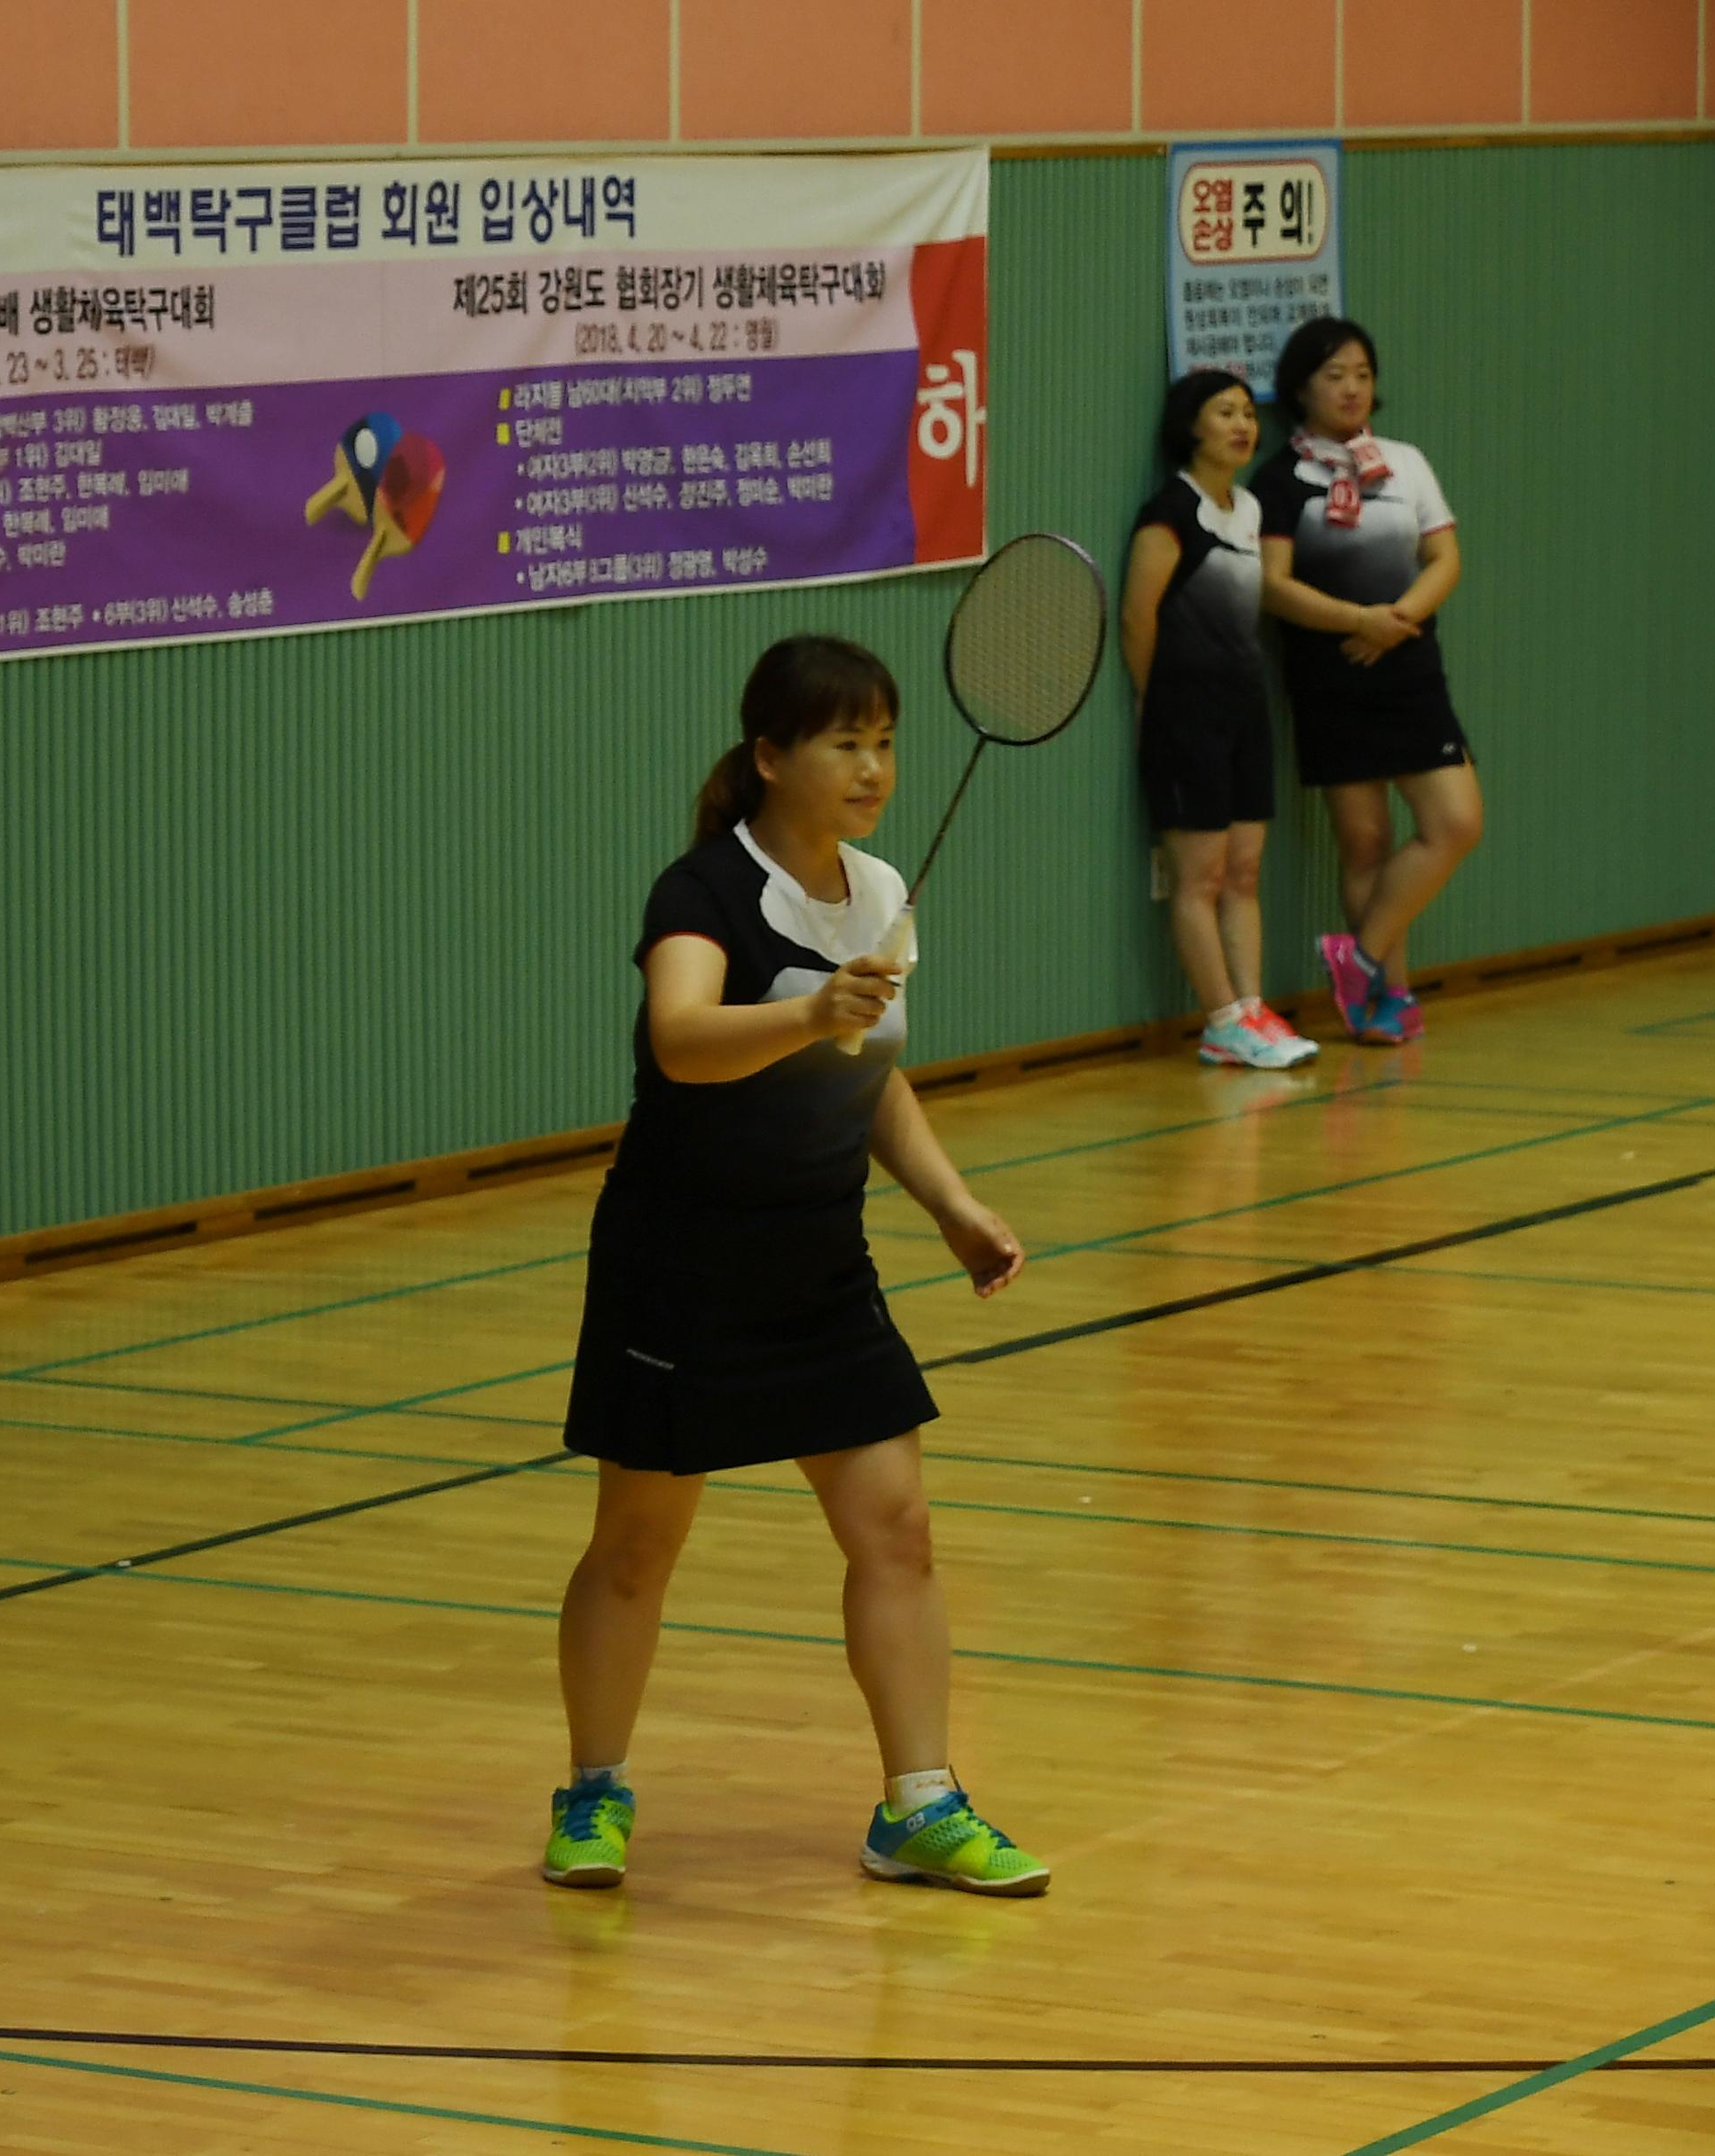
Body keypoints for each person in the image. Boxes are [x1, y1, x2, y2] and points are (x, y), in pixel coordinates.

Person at [542, 637, 1049, 1901]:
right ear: (772, 757)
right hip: (684, 1261)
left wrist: (952, 1204)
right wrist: (808, 1011)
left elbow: (871, 1078)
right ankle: (593, 1793)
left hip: (821, 1259)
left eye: (883, 742)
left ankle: (919, 1806)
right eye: (844, 743)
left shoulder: (881, 892)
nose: (872, 768)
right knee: (636, 1549)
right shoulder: (703, 892)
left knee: (899, 1531)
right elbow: (681, 1042)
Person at [1255, 316, 1483, 1043]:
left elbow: (1443, 558)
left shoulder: (1405, 463)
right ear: (1300, 388)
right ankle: (1387, 999)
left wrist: (1397, 619)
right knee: (1365, 846)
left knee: (1456, 823)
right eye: (1334, 375)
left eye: (1362, 373)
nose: (1351, 388)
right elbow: (1273, 585)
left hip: (1410, 669)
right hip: (1332, 678)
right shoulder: (1281, 478)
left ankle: (1360, 957)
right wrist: (1358, 621)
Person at [1122, 371, 1317, 1069]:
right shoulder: (1169, 513)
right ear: (1191, 427)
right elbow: (1138, 614)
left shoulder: (1250, 511)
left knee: (1243, 873)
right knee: (1199, 879)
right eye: (1223, 412)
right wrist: (1152, 700)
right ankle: (1221, 1020)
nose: (1241, 425)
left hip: (1245, 712)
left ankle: (1253, 1008)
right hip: (1186, 717)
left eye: (1246, 413)